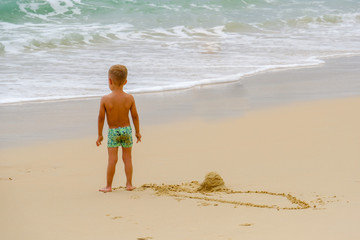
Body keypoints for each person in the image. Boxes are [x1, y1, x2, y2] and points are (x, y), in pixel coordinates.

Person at [96, 64, 141, 192]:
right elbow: (135, 116)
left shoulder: (105, 99)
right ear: (125, 81)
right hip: (126, 130)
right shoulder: (129, 98)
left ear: (109, 81)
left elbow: (100, 118)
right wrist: (137, 132)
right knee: (127, 158)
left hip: (113, 132)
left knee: (112, 159)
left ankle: (108, 186)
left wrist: (100, 134)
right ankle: (129, 184)